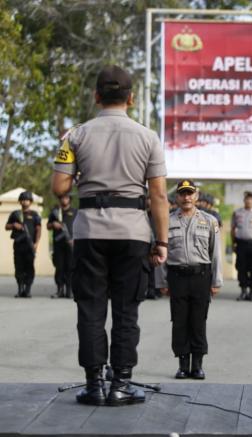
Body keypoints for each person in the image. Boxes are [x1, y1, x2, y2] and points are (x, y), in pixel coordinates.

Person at [51, 65, 169, 406]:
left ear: (96, 96)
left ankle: (94, 385)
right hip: (132, 232)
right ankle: (121, 384)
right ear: (131, 98)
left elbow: (59, 186)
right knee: (126, 310)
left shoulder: (75, 136)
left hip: (90, 231)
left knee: (90, 309)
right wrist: (162, 242)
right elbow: (159, 196)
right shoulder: (148, 137)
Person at [155, 180, 222, 380]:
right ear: (177, 197)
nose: (186, 197)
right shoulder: (167, 221)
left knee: (198, 321)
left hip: (201, 276)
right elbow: (160, 253)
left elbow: (216, 253)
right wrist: (161, 282)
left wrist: (216, 281)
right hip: (177, 277)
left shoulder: (209, 221)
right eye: (182, 194)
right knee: (179, 321)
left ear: (196, 196)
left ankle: (198, 365)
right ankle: (183, 365)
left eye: (190, 193)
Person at [5, 191, 42, 298]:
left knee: (29, 267)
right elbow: (6, 227)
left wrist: (36, 243)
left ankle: (28, 290)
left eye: (27, 200)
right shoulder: (15, 214)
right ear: (20, 201)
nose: (25, 202)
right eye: (23, 200)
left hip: (29, 246)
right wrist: (13, 225)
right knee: (19, 267)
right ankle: (20, 289)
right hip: (18, 245)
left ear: (30, 202)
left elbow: (38, 229)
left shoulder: (34, 215)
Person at [231, 191, 252, 302]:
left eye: (251, 199)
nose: (249, 201)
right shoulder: (237, 213)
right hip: (241, 244)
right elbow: (233, 229)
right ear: (244, 200)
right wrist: (233, 243)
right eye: (247, 199)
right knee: (241, 267)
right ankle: (243, 291)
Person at [47, 193, 77, 299]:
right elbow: (48, 226)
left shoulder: (75, 212)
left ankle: (70, 290)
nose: (64, 200)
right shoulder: (55, 212)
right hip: (58, 244)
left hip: (70, 244)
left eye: (66, 198)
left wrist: (74, 239)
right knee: (59, 267)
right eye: (62, 198)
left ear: (69, 199)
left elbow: (80, 226)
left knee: (70, 267)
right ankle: (60, 290)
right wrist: (53, 224)